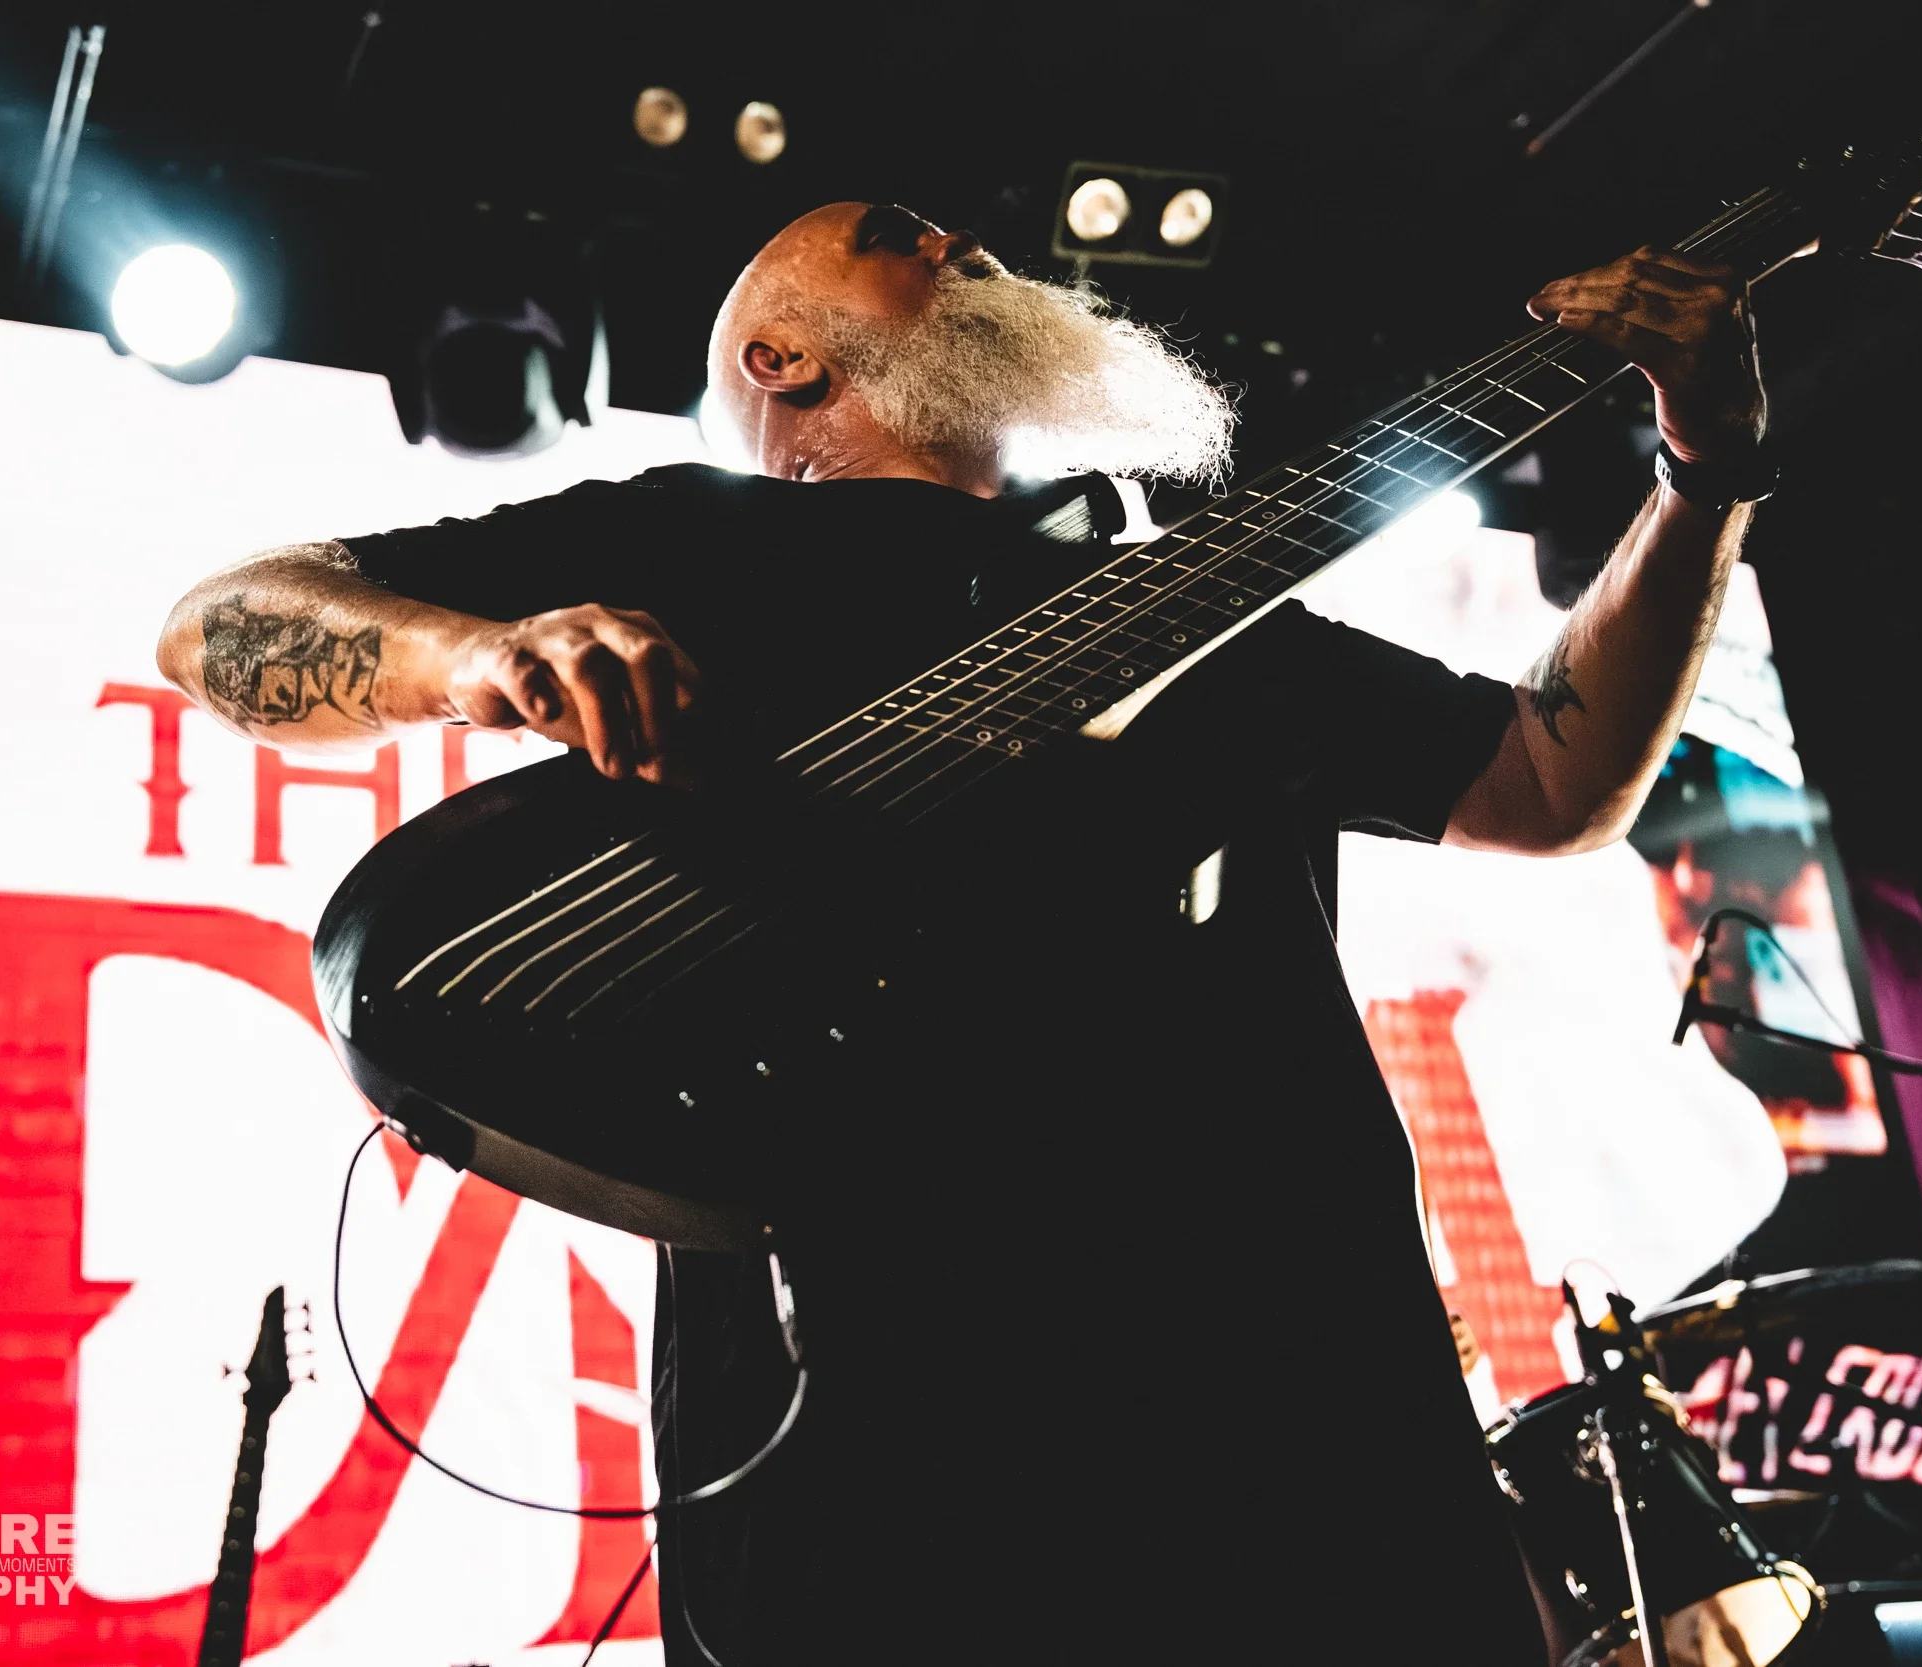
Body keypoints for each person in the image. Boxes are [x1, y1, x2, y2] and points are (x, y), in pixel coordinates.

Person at [158, 201, 1767, 1663]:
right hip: (899, 1442)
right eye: (899, 233)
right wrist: (475, 656)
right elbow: (222, 622)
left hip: (1308, 1395)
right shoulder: (691, 536)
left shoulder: (1182, 598)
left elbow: (1547, 781)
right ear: (781, 359)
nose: (965, 242)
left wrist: (1703, 474)